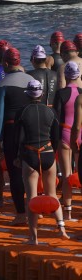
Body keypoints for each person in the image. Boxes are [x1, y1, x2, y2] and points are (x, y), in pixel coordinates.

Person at [15, 79, 67, 243]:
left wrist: (18, 156)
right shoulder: (51, 112)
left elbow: (18, 138)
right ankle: (62, 229)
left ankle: (33, 237)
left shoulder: (22, 112)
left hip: (30, 154)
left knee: (31, 197)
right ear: (42, 94)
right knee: (52, 194)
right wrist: (54, 153)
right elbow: (55, 137)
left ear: (28, 95)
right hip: (48, 154)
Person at [0, 47, 34, 225]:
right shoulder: (32, 80)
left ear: (6, 63)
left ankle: (20, 214)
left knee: (15, 172)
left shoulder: (3, 84)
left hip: (11, 132)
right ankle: (36, 209)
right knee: (32, 171)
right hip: (32, 129)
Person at [55, 61, 82, 219]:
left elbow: (56, 117)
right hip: (80, 134)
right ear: (78, 75)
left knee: (66, 175)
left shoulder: (61, 93)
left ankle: (68, 212)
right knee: (80, 173)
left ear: (65, 75)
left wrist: (55, 138)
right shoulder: (81, 92)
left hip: (65, 132)